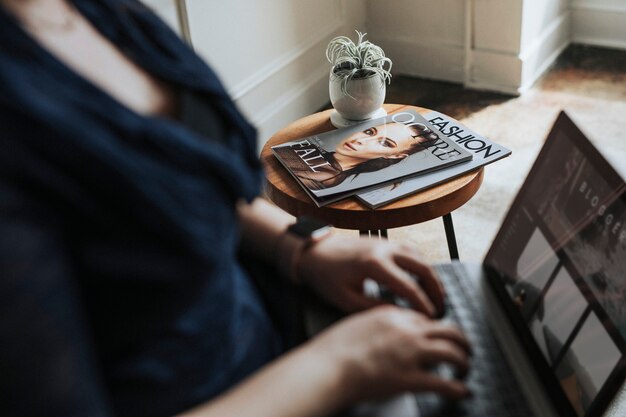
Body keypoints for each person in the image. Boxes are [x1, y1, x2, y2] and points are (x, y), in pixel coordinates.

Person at [0, 1, 472, 417]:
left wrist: (304, 248)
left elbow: (189, 189)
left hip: (268, 327)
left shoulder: (89, 11)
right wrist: (340, 366)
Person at [273, 120, 440, 191]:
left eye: (385, 143)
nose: (361, 140)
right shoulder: (327, 163)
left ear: (396, 155)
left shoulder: (325, 174)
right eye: (369, 131)